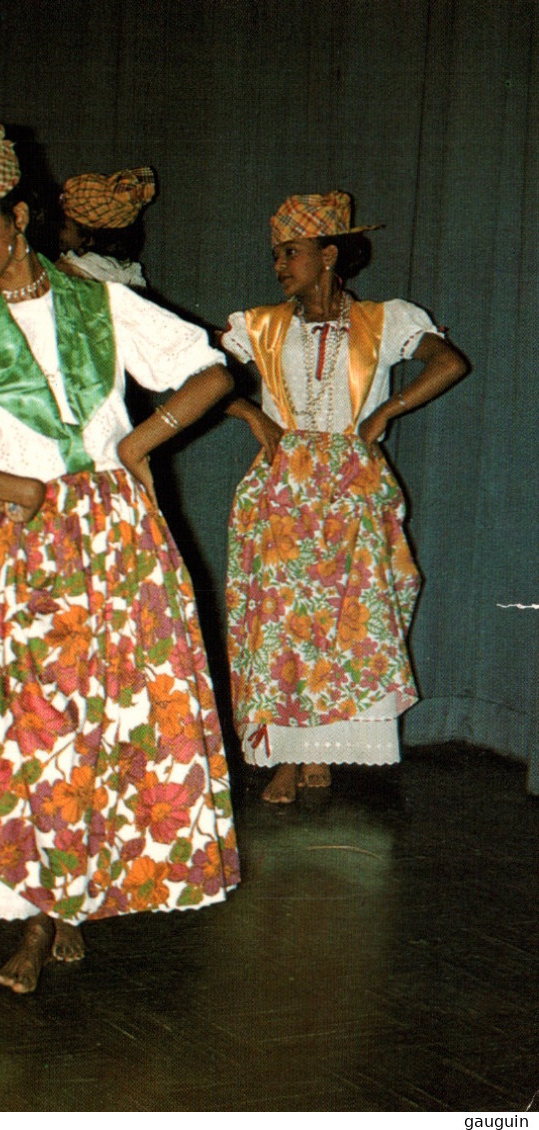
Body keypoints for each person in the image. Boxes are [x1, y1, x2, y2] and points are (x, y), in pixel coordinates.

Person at [0, 122, 240, 993]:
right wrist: (19, 492)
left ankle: (76, 903)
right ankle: (34, 926)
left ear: (18, 216)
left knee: (121, 722)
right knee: (40, 731)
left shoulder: (100, 302)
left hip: (126, 540)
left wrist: (142, 442)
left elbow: (210, 373)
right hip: (43, 547)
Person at [221, 191, 468, 804]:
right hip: (281, 488)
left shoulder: (385, 319)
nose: (280, 265)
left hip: (353, 488)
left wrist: (388, 409)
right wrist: (253, 415)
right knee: (280, 623)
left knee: (347, 622)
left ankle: (323, 753)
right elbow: (190, 376)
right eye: (277, 254)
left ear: (329, 255)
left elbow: (448, 362)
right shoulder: (259, 325)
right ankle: (283, 758)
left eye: (292, 252)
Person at [55, 166, 155, 288]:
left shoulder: (70, 271)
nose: (58, 232)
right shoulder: (125, 273)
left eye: (64, 227)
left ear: (89, 239)